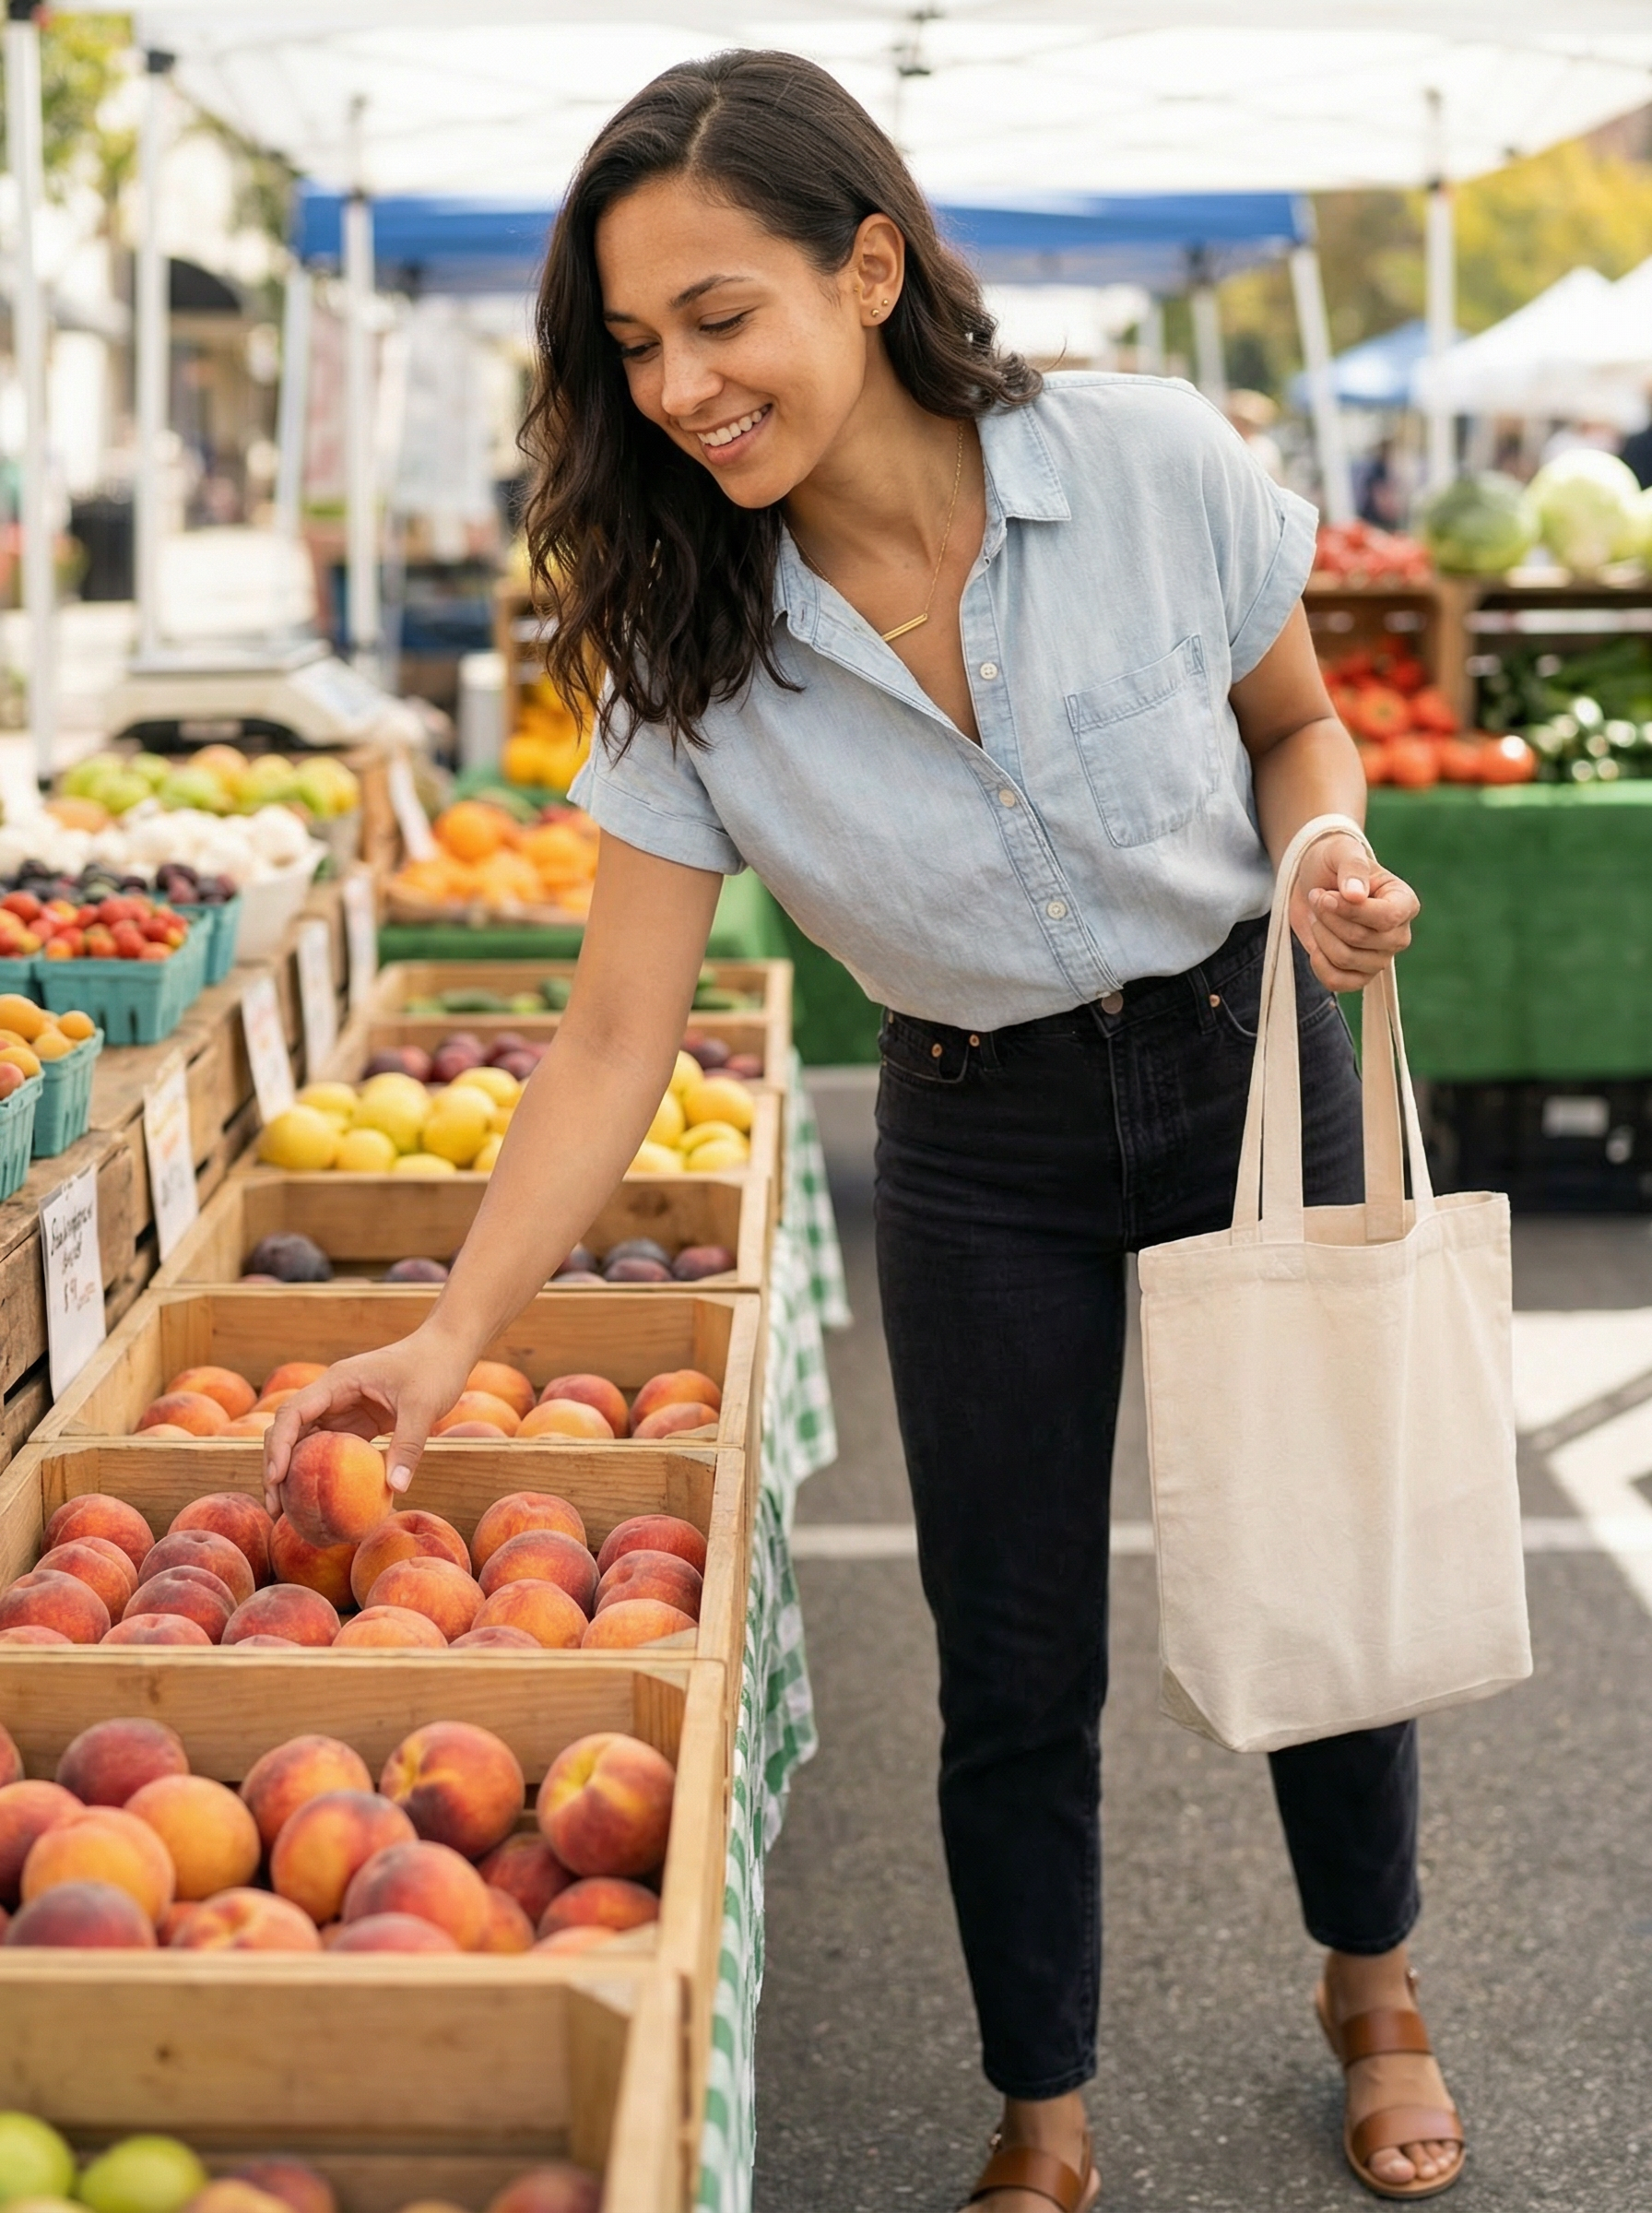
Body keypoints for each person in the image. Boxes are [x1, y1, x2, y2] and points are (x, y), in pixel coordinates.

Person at [266, 51, 1460, 2211]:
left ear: (870, 266)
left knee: (1318, 1569)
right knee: (1006, 1652)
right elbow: (613, 1035)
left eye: (720, 317)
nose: (680, 387)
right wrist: (446, 1338)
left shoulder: (1152, 457)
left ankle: (1370, 1992)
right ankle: (1041, 2105)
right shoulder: (682, 644)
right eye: (630, 347)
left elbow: (1292, 725)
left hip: (1239, 1054)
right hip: (973, 1130)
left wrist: (1322, 862)